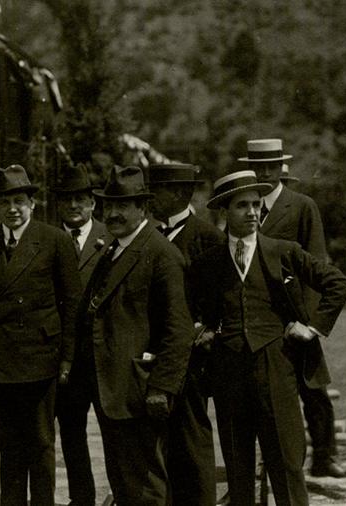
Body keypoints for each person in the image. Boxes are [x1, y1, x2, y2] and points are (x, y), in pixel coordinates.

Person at [192, 170, 346, 506]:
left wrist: (312, 327)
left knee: (286, 463)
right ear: (225, 210)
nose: (252, 212)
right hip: (228, 376)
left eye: (256, 205)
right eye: (242, 206)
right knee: (238, 469)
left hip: (276, 370)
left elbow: (337, 284)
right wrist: (205, 332)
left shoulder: (283, 252)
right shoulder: (208, 263)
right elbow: (197, 311)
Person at [0, 164, 81, 506]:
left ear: (31, 202)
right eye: (4, 202)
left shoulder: (54, 240)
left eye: (19, 200)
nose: (12, 209)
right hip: (0, 365)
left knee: (42, 443)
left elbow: (71, 304)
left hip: (41, 361)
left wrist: (67, 358)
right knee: (8, 444)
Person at [243, 138, 346, 478]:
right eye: (257, 166)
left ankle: (324, 458)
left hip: (295, 317)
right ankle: (268, 465)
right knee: (264, 394)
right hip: (259, 317)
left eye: (270, 166)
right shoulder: (244, 206)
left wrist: (309, 323)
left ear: (282, 167)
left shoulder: (301, 206)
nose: (264, 172)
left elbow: (317, 266)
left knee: (313, 390)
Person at [78, 165, 193, 504]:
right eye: (108, 206)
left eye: (122, 206)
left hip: (140, 392)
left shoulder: (160, 254)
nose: (112, 213)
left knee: (146, 486)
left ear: (142, 208)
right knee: (124, 481)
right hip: (113, 389)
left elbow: (179, 330)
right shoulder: (112, 250)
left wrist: (161, 388)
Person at [148, 163, 224, 506]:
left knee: (191, 440)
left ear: (180, 194)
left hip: (192, 361)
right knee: (157, 445)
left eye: (157, 191)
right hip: (154, 356)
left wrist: (208, 330)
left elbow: (224, 298)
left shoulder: (207, 237)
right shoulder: (149, 236)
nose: (151, 199)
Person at [51, 162, 108, 506]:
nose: (74, 206)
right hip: (65, 358)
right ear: (59, 204)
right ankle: (82, 498)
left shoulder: (110, 236)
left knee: (114, 431)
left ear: (92, 203)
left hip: (103, 354)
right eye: (68, 199)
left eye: (81, 199)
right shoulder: (48, 240)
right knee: (71, 433)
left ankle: (122, 495)